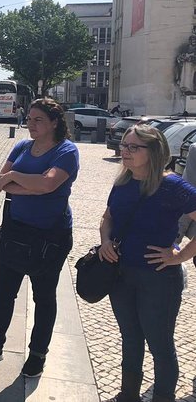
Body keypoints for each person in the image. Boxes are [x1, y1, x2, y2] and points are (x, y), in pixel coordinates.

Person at [0, 98, 79, 378]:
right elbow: (0, 181)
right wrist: (34, 186)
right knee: (3, 293)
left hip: (50, 237)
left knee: (44, 297)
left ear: (55, 122)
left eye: (38, 119)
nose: (31, 124)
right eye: (29, 119)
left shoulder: (66, 151)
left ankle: (38, 353)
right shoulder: (21, 146)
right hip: (15, 232)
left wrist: (19, 180)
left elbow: (47, 183)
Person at [98, 125, 196, 402]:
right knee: (130, 339)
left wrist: (179, 256)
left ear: (153, 152)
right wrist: (105, 241)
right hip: (121, 274)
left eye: (132, 147)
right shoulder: (122, 182)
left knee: (160, 345)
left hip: (159, 278)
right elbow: (108, 217)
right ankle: (128, 396)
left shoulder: (173, 186)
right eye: (124, 146)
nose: (124, 151)